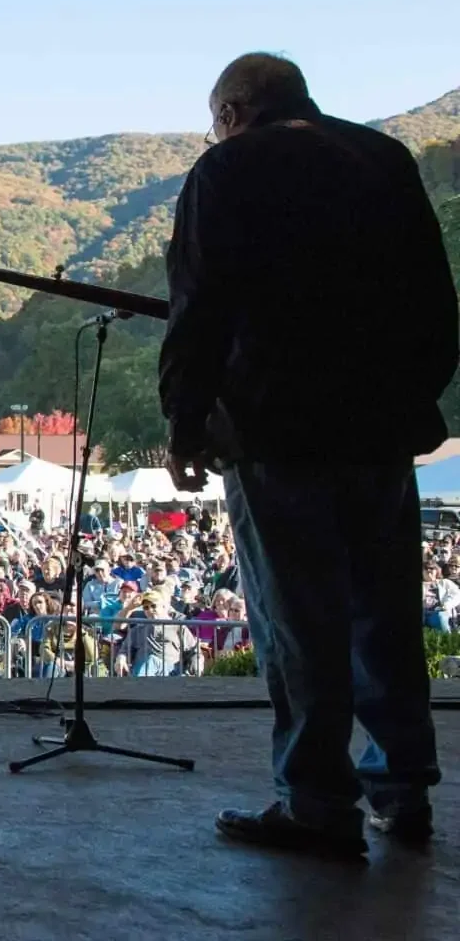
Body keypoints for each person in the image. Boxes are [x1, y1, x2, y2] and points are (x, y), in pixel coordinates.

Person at [161, 54, 455, 859]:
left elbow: (201, 305)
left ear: (237, 109)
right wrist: (411, 401)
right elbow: (435, 297)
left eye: (216, 116)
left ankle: (317, 803)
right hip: (380, 430)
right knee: (384, 614)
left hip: (276, 427)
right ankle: (404, 786)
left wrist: (186, 420)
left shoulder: (227, 170)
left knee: (301, 624)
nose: (215, 131)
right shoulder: (383, 158)